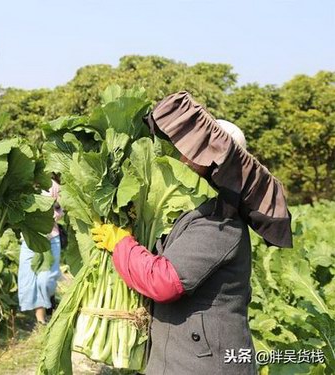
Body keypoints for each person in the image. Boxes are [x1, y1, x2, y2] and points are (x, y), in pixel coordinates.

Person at [91, 92, 293, 375]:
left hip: (205, 363)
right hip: (181, 357)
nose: (184, 158)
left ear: (221, 167)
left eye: (197, 153)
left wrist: (122, 244)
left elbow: (163, 281)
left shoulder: (221, 222)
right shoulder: (195, 211)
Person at [18, 176, 63, 325]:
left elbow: (62, 208)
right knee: (29, 279)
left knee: (46, 279)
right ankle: (41, 320)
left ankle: (49, 300)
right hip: (29, 237)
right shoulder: (24, 186)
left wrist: (50, 217)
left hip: (51, 237)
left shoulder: (53, 186)